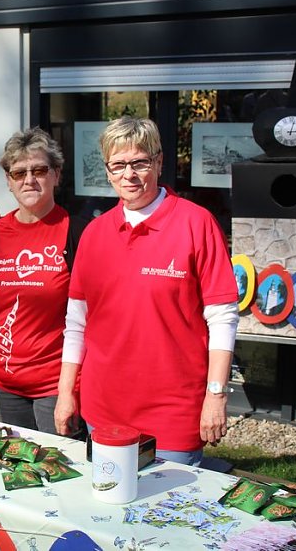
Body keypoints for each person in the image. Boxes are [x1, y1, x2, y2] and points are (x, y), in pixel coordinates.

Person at [54, 116, 239, 465]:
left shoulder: (196, 223)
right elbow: (76, 323)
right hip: (103, 408)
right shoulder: (94, 234)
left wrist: (216, 394)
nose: (130, 175)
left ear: (158, 162)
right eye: (118, 165)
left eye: (140, 162)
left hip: (173, 411)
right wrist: (66, 393)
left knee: (171, 514)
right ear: (107, 170)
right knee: (108, 510)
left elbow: (223, 317)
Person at [0, 128, 87, 434]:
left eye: (39, 170)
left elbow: (92, 313)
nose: (29, 179)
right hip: (7, 383)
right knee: (21, 470)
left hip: (56, 385)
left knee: (59, 471)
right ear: (8, 181)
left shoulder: (77, 232)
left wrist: (72, 388)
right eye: (18, 173)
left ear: (56, 174)